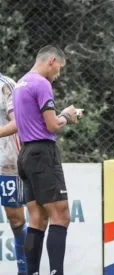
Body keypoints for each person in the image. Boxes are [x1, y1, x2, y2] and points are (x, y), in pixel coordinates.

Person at [13, 45, 79, 275]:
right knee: (61, 215)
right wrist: (67, 116)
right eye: (59, 69)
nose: (58, 75)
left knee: (37, 219)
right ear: (51, 61)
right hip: (43, 153)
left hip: (26, 154)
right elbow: (52, 125)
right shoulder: (42, 83)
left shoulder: (20, 84)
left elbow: (20, 124)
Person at [0, 73, 27, 275]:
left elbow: (18, 122)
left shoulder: (7, 85)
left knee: (16, 219)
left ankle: (24, 270)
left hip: (7, 161)